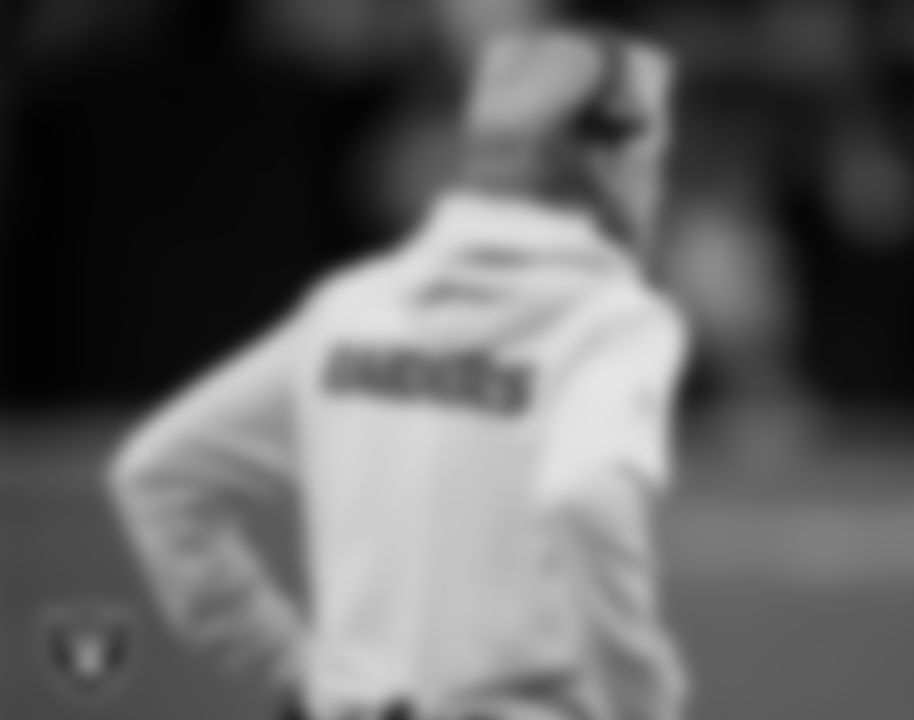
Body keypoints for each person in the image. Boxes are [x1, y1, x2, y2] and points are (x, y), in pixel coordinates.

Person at [107, 26, 688, 720]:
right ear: (611, 164)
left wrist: (288, 663)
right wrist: (644, 706)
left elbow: (156, 473)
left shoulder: (351, 309)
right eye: (651, 153)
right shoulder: (611, 321)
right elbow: (587, 495)